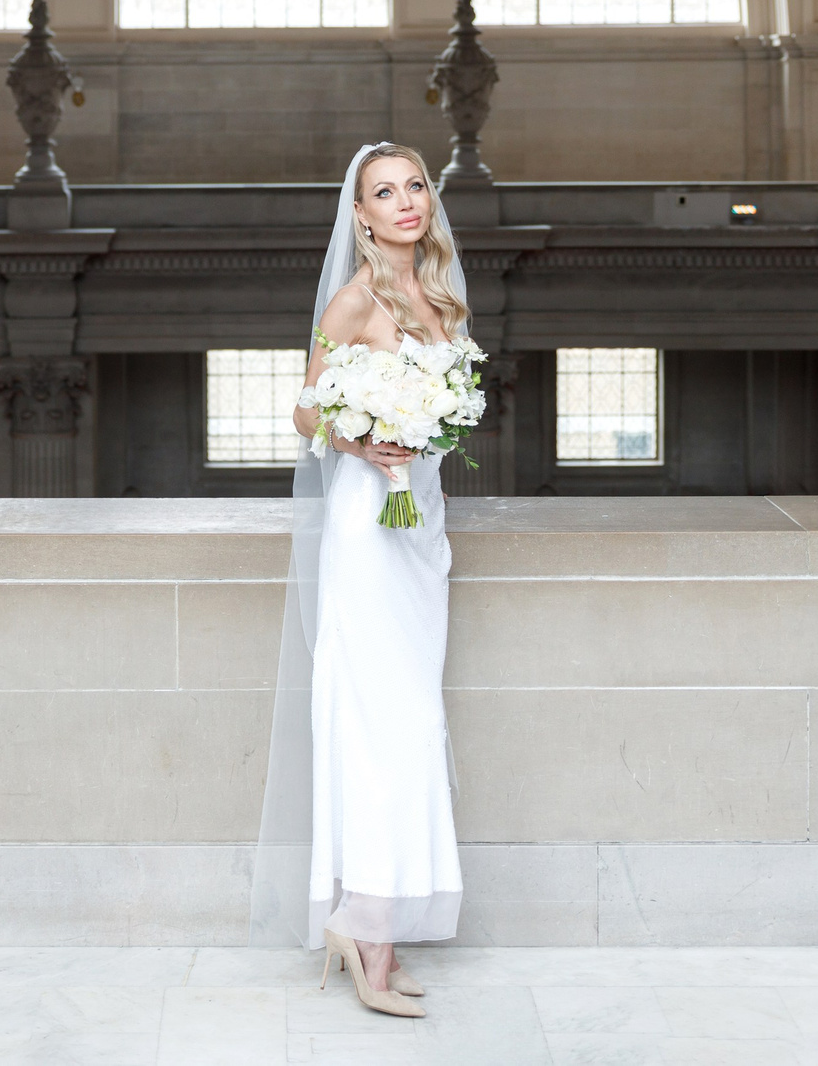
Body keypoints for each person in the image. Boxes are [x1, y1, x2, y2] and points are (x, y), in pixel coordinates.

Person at [250, 142, 466, 1019]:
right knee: (381, 721)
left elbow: (446, 406)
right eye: (386, 191)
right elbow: (305, 406)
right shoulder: (355, 297)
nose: (406, 200)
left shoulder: (440, 294)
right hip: (367, 529)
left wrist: (426, 432)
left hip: (420, 527)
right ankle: (367, 934)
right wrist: (361, 438)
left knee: (413, 720)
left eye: (416, 185)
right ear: (362, 216)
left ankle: (373, 920)